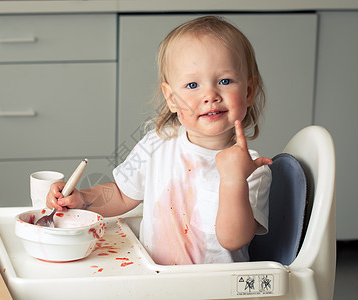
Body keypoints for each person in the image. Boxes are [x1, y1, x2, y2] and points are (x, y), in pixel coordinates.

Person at [46, 16, 272, 265]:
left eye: (224, 81)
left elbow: (234, 240)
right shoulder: (156, 143)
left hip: (213, 287)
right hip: (153, 280)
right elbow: (122, 194)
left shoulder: (252, 168)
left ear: (248, 92)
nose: (210, 95)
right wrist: (82, 199)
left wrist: (233, 180)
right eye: (192, 84)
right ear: (172, 98)